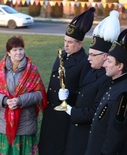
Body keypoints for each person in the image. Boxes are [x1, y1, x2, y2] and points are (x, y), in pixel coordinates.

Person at [38, 7, 95, 155]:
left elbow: (84, 94)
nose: (66, 45)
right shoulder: (61, 55)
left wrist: (69, 95)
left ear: (80, 44)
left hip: (65, 115)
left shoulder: (84, 62)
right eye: (65, 41)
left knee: (57, 148)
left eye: (70, 42)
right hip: (51, 111)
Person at [64, 10, 121, 155]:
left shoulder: (107, 78)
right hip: (75, 131)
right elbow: (84, 95)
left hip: (86, 133)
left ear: (105, 56)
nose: (88, 58)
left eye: (92, 55)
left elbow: (96, 109)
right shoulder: (92, 69)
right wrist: (69, 96)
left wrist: (72, 111)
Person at [0, 35, 47, 155]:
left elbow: (40, 94)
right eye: (14, 50)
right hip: (4, 124)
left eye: (21, 49)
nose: (18, 53)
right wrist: (5, 101)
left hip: (25, 124)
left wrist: (20, 100)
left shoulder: (31, 70)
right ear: (8, 52)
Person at [84, 29, 127, 155]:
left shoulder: (123, 93)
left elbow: (115, 136)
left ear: (120, 66)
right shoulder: (115, 84)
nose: (104, 65)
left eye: (109, 61)